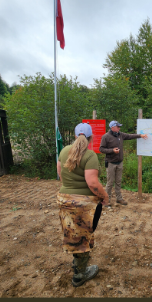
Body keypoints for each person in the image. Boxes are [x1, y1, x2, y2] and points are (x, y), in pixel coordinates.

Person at [56, 122, 110, 287]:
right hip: (84, 204)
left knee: (73, 233)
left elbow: (60, 173)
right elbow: (92, 183)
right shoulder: (90, 155)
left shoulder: (64, 150)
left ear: (74, 136)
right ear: (91, 137)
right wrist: (105, 196)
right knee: (84, 235)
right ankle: (80, 274)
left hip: (65, 199)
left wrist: (70, 188)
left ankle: (77, 263)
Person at [98, 120, 148, 206]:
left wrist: (140, 135)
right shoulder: (106, 136)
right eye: (118, 127)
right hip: (111, 163)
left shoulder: (120, 134)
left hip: (119, 162)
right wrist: (112, 151)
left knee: (118, 181)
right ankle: (107, 200)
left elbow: (130, 136)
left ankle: (119, 198)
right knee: (110, 182)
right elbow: (101, 149)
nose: (119, 128)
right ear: (112, 127)